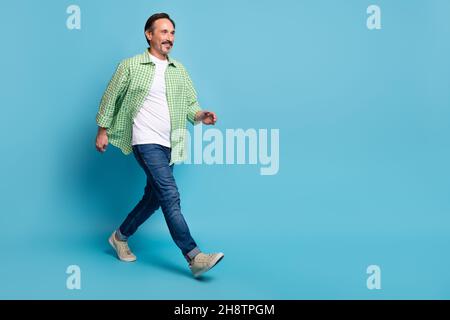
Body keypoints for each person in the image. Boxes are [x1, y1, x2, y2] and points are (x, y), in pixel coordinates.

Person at [94, 13, 224, 278]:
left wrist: (201, 116)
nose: (169, 38)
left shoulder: (179, 70)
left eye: (173, 33)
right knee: (170, 195)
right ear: (149, 34)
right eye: (164, 32)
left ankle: (120, 237)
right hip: (145, 140)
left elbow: (190, 106)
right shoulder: (130, 66)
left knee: (153, 199)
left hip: (170, 144)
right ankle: (194, 256)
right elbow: (110, 96)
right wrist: (102, 130)